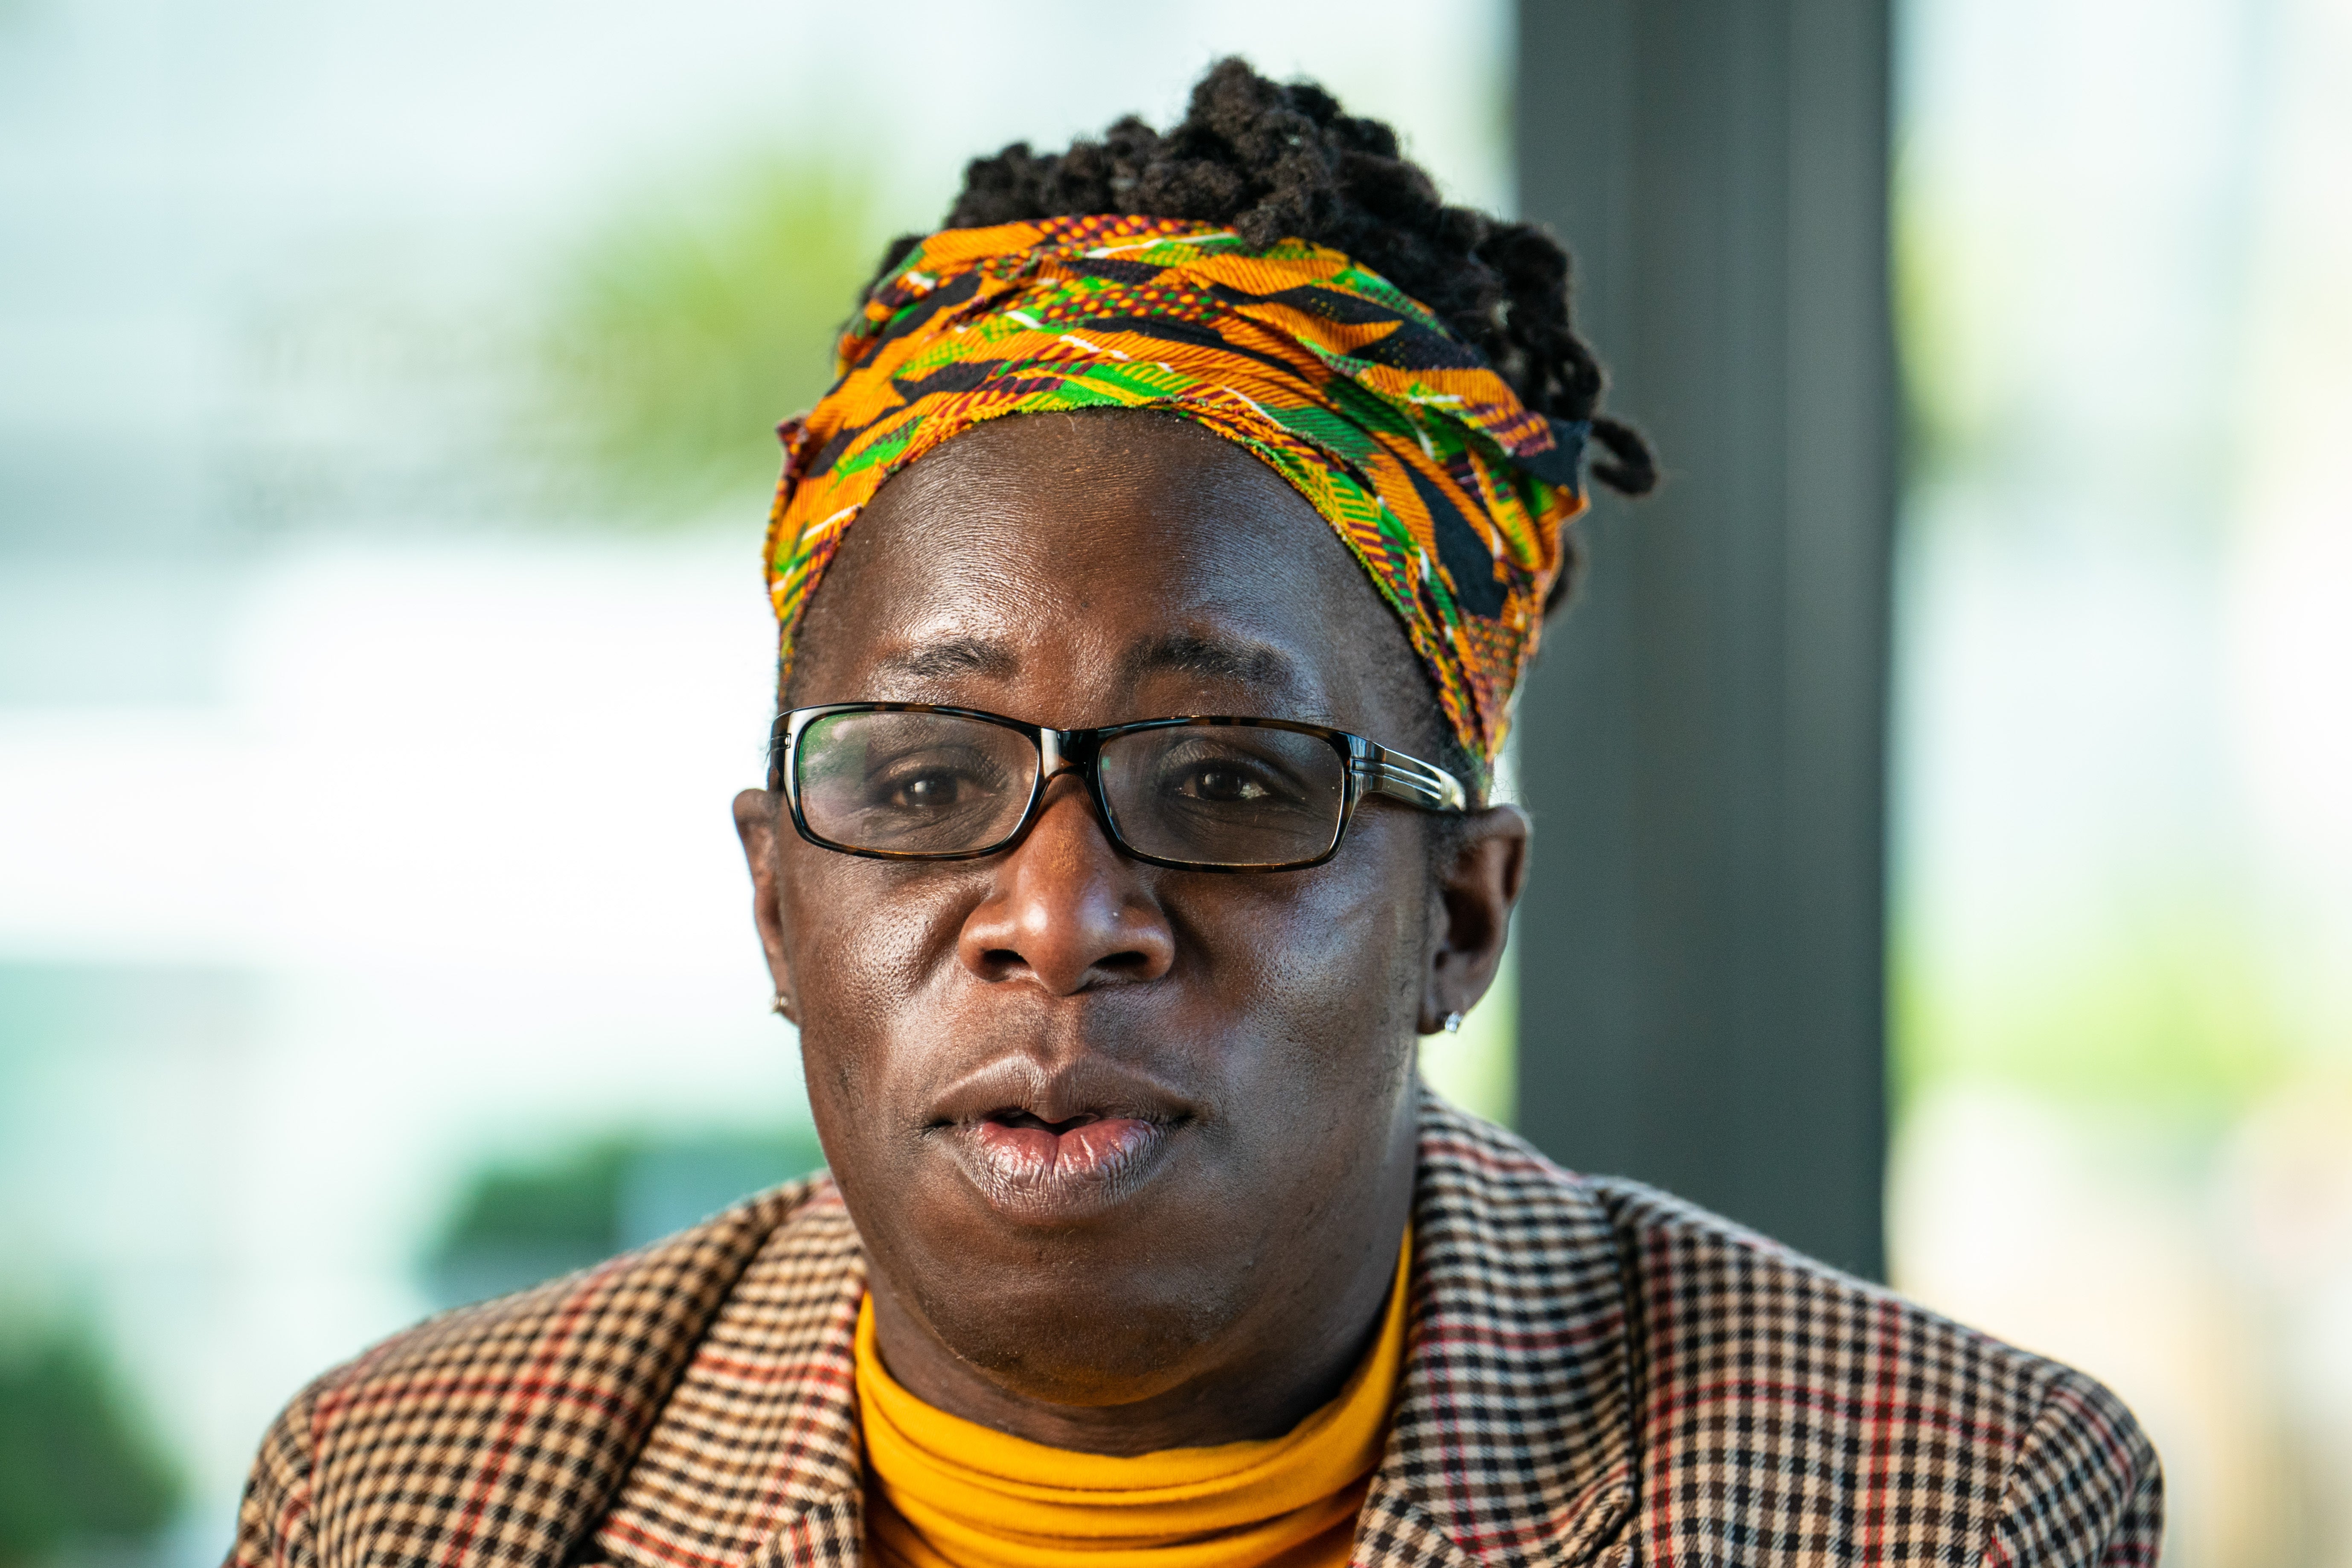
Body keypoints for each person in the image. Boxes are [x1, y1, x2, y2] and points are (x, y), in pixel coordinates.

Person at [227, 59, 2160, 1568]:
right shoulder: (404, 1493)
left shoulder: (1940, 1500)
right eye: (922, 781)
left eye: (1228, 782)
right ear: (772, 902)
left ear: (1458, 919)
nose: (1060, 916)